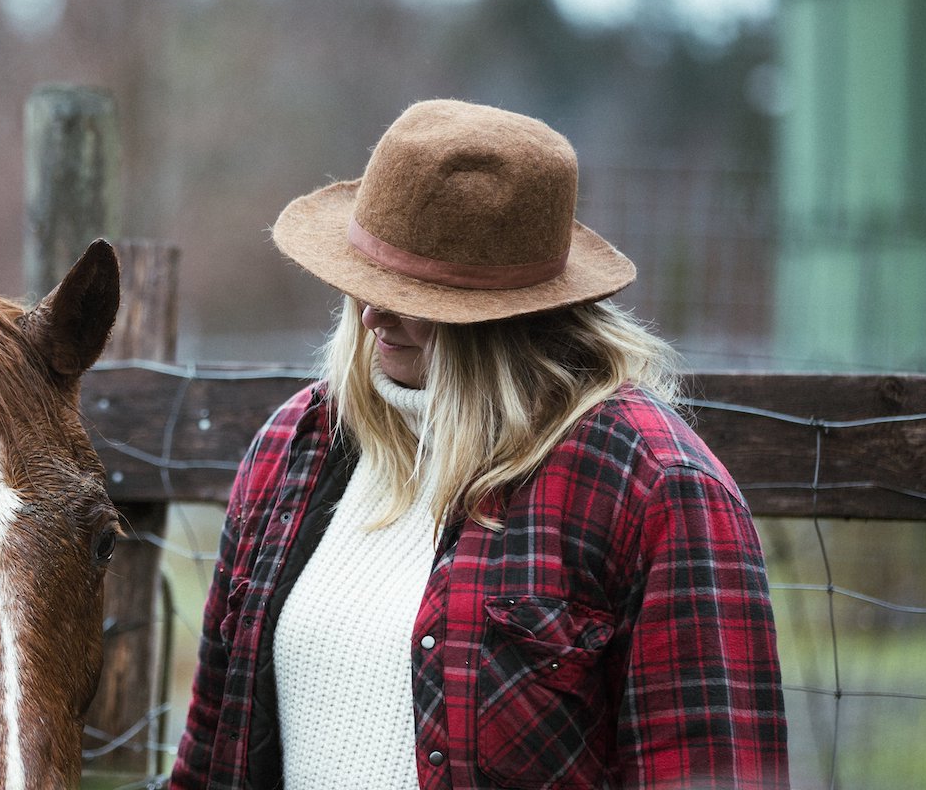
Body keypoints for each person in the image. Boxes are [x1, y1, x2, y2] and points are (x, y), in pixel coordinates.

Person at [170, 100, 788, 789]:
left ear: (502, 321)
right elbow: (208, 760)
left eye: (413, 294)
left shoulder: (649, 487)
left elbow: (707, 771)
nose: (372, 314)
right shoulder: (296, 447)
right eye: (365, 281)